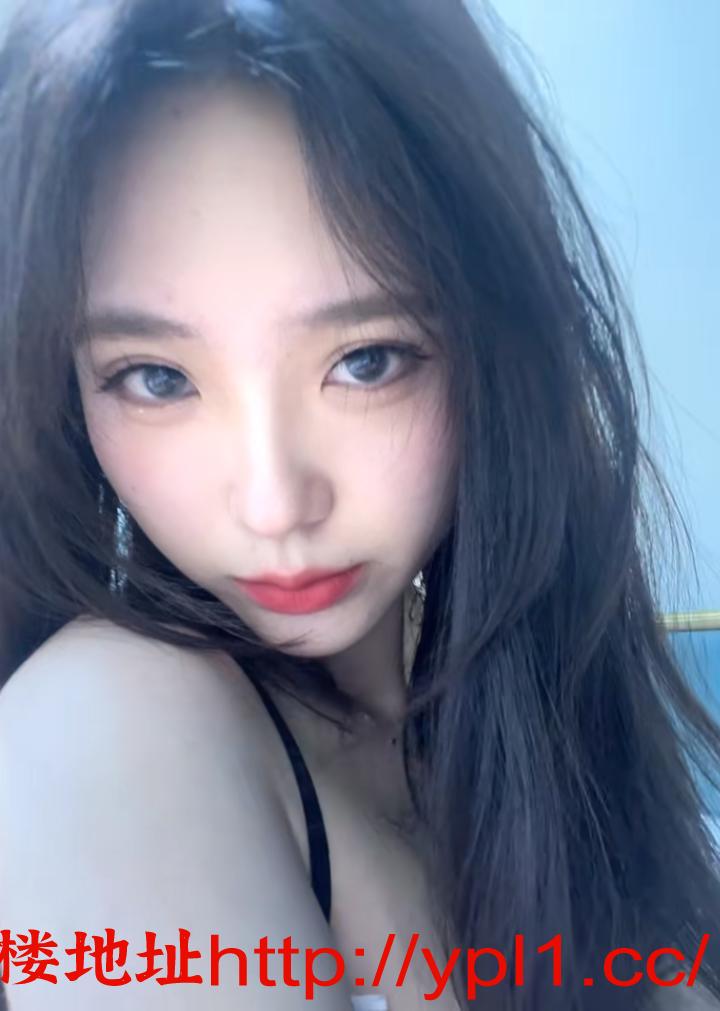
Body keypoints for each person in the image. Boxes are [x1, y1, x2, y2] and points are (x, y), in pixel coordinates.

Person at [0, 0, 719, 1008]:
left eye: (366, 361)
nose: (274, 504)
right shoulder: (105, 726)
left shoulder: (526, 689)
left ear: (492, 349)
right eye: (156, 378)